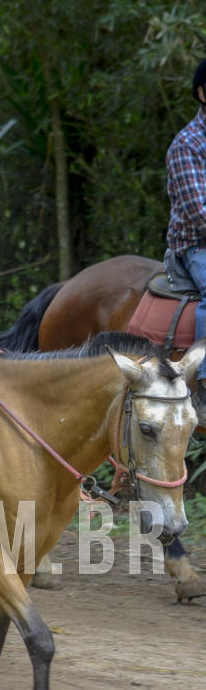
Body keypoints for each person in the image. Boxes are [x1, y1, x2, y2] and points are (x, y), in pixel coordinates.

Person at [165, 59, 206, 423]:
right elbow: (200, 212)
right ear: (202, 93)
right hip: (196, 245)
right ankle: (205, 383)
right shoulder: (187, 145)